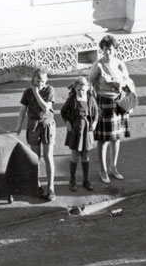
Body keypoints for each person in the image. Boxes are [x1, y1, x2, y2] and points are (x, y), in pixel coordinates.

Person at [88, 35, 136, 184]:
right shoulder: (98, 65)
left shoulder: (120, 63)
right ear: (101, 49)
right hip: (104, 103)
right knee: (103, 140)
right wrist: (94, 106)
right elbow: (90, 85)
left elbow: (128, 81)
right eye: (104, 49)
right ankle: (103, 170)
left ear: (114, 49)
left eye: (110, 49)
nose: (107, 52)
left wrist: (122, 86)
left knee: (116, 138)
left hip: (119, 103)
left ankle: (113, 167)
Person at [16, 67, 57, 200]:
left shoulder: (49, 90)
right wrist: (18, 127)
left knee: (48, 156)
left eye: (43, 79)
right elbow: (23, 110)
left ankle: (51, 188)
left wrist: (36, 92)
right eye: (38, 79)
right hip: (33, 126)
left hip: (47, 126)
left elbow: (46, 107)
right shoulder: (27, 92)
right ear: (33, 79)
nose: (41, 82)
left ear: (47, 79)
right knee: (35, 158)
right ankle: (37, 186)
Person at [60, 77, 98, 192]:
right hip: (75, 129)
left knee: (85, 156)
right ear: (75, 89)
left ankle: (86, 180)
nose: (81, 92)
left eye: (83, 89)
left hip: (87, 130)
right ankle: (72, 180)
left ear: (87, 88)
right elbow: (63, 111)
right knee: (75, 155)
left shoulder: (90, 99)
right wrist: (67, 122)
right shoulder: (72, 99)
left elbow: (96, 111)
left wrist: (94, 123)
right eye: (78, 90)